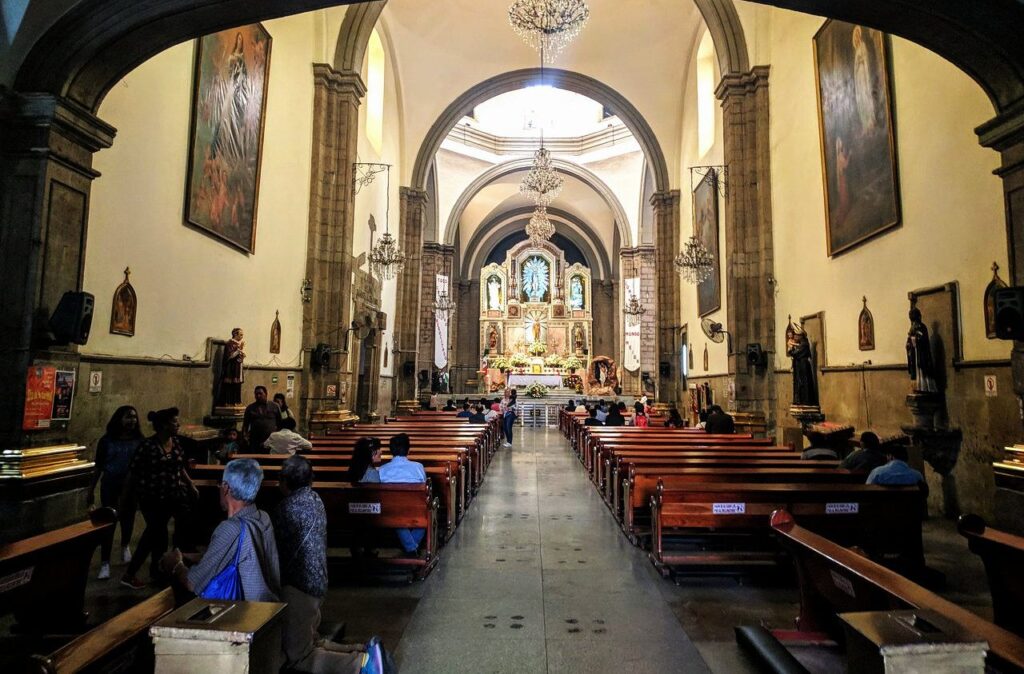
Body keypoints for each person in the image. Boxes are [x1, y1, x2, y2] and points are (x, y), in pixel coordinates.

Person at [271, 456, 383, 673]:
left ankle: (362, 664)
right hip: (318, 579)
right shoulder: (315, 499)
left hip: (298, 585)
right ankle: (362, 650)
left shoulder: (286, 509)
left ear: (284, 482)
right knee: (311, 639)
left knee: (300, 656)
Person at [160, 458, 280, 603]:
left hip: (246, 612)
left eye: (219, 484)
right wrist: (190, 556)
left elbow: (192, 583)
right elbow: (240, 554)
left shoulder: (230, 529)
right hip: (270, 606)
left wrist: (176, 564)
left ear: (226, 488)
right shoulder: (263, 517)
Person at [122, 408, 197, 589]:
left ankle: (160, 570)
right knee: (154, 533)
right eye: (174, 422)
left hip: (173, 494)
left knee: (169, 532)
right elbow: (133, 473)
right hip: (152, 498)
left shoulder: (176, 443)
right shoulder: (147, 446)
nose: (178, 425)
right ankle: (130, 573)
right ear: (164, 425)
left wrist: (190, 484)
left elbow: (179, 466)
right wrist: (125, 497)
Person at [88, 405, 144, 579]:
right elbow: (99, 466)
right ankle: (105, 562)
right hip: (111, 485)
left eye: (134, 417)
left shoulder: (139, 441)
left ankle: (125, 545)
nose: (132, 421)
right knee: (108, 522)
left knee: (128, 517)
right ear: (119, 419)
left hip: (132, 486)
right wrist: (90, 490)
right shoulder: (107, 441)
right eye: (128, 417)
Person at [378, 434, 427, 554]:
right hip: (416, 509)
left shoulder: (382, 470)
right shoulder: (418, 467)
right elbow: (424, 485)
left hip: (389, 511)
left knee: (395, 512)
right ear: (408, 450)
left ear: (390, 450)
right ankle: (411, 547)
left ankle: (410, 546)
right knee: (427, 513)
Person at [243, 385, 282, 452]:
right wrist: (245, 437)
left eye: (260, 394)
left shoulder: (275, 406)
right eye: (256, 394)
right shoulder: (250, 408)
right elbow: (245, 424)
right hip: (255, 441)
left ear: (266, 394)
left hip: (271, 440)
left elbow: (280, 423)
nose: (258, 396)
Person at [219, 328, 245, 406]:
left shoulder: (238, 344)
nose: (242, 336)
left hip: (238, 368)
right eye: (240, 334)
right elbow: (229, 356)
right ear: (235, 334)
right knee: (230, 385)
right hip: (231, 368)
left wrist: (242, 356)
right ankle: (228, 402)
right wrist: (239, 350)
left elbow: (239, 357)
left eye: (242, 335)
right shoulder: (230, 343)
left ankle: (236, 401)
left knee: (237, 385)